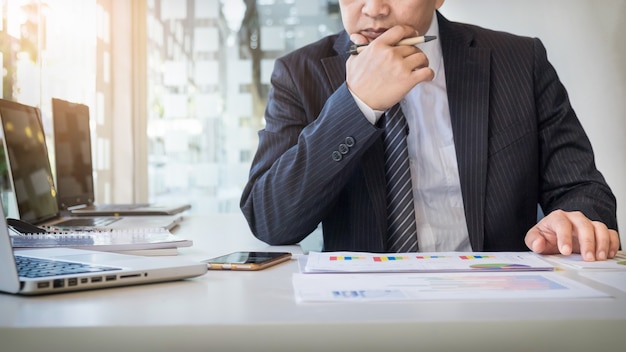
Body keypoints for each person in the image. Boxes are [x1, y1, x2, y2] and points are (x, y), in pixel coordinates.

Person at [240, 0, 620, 261]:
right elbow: (270, 219)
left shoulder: (520, 61)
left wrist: (573, 222)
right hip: (362, 315)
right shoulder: (299, 73)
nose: (373, 9)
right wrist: (357, 104)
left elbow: (583, 190)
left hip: (499, 305)